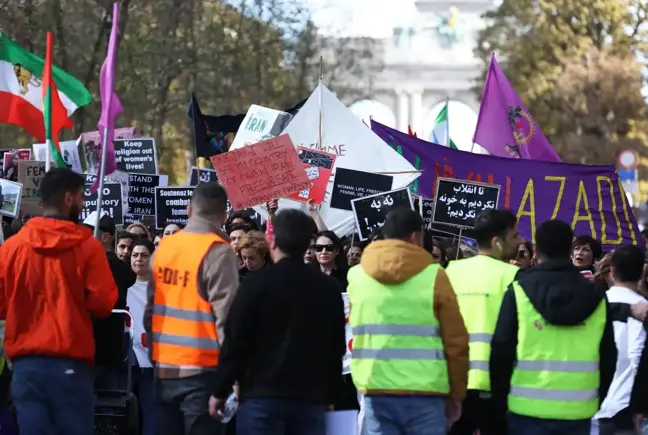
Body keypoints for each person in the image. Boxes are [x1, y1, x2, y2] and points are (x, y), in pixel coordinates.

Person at [0, 168, 118, 435]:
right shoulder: (88, 248)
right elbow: (103, 303)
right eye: (81, 196)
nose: (84, 203)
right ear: (68, 198)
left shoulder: (11, 248)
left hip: (26, 365)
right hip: (70, 363)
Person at [210, 209, 347, 435]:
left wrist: (220, 390)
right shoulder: (327, 288)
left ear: (272, 242)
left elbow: (235, 342)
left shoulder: (254, 285)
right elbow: (335, 348)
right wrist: (330, 394)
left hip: (261, 399)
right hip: (308, 399)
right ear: (308, 246)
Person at [347, 207, 468, 434]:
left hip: (375, 388)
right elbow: (456, 343)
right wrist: (457, 394)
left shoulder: (357, 276)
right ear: (415, 236)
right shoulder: (435, 277)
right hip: (426, 394)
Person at [490, 219, 616, 435]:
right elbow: (609, 357)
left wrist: (499, 406)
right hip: (578, 412)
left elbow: (501, 352)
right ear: (569, 249)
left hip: (525, 410)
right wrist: (596, 400)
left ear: (536, 251)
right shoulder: (596, 296)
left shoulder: (519, 290)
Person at [144, 182, 239, 435]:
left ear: (188, 210)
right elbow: (227, 321)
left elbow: (149, 313)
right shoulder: (219, 252)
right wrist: (234, 374)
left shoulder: (163, 249)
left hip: (164, 369)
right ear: (223, 216)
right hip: (203, 372)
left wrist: (156, 356)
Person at [445, 209, 522, 435]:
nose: (520, 241)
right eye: (515, 236)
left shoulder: (451, 271)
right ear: (497, 242)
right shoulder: (514, 276)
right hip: (498, 383)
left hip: (454, 380)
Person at [593, 246, 646, 435]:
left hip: (589, 403)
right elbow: (637, 357)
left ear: (612, 272)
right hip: (626, 407)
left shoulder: (591, 306)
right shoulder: (643, 311)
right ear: (641, 273)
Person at [83, 211, 136, 390]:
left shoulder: (113, 267)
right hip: (96, 351)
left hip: (100, 349)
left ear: (105, 237)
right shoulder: (86, 263)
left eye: (89, 232)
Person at [127, 239, 157, 435]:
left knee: (150, 411)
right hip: (127, 363)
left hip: (151, 363)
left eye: (144, 255)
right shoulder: (122, 289)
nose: (139, 259)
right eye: (135, 255)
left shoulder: (160, 290)